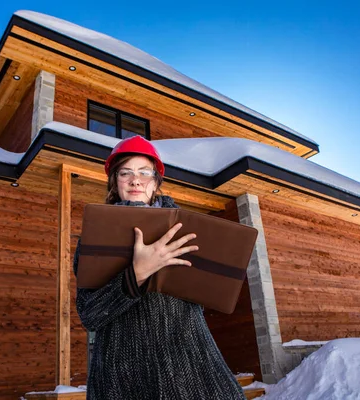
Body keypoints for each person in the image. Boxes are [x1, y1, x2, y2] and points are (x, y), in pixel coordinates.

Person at [73, 135, 247, 399]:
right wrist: (137, 274)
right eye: (125, 173)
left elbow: (209, 292)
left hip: (190, 369)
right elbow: (90, 315)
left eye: (145, 172)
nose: (135, 180)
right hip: (122, 377)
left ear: (155, 183)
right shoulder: (95, 236)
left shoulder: (187, 231)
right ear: (114, 182)